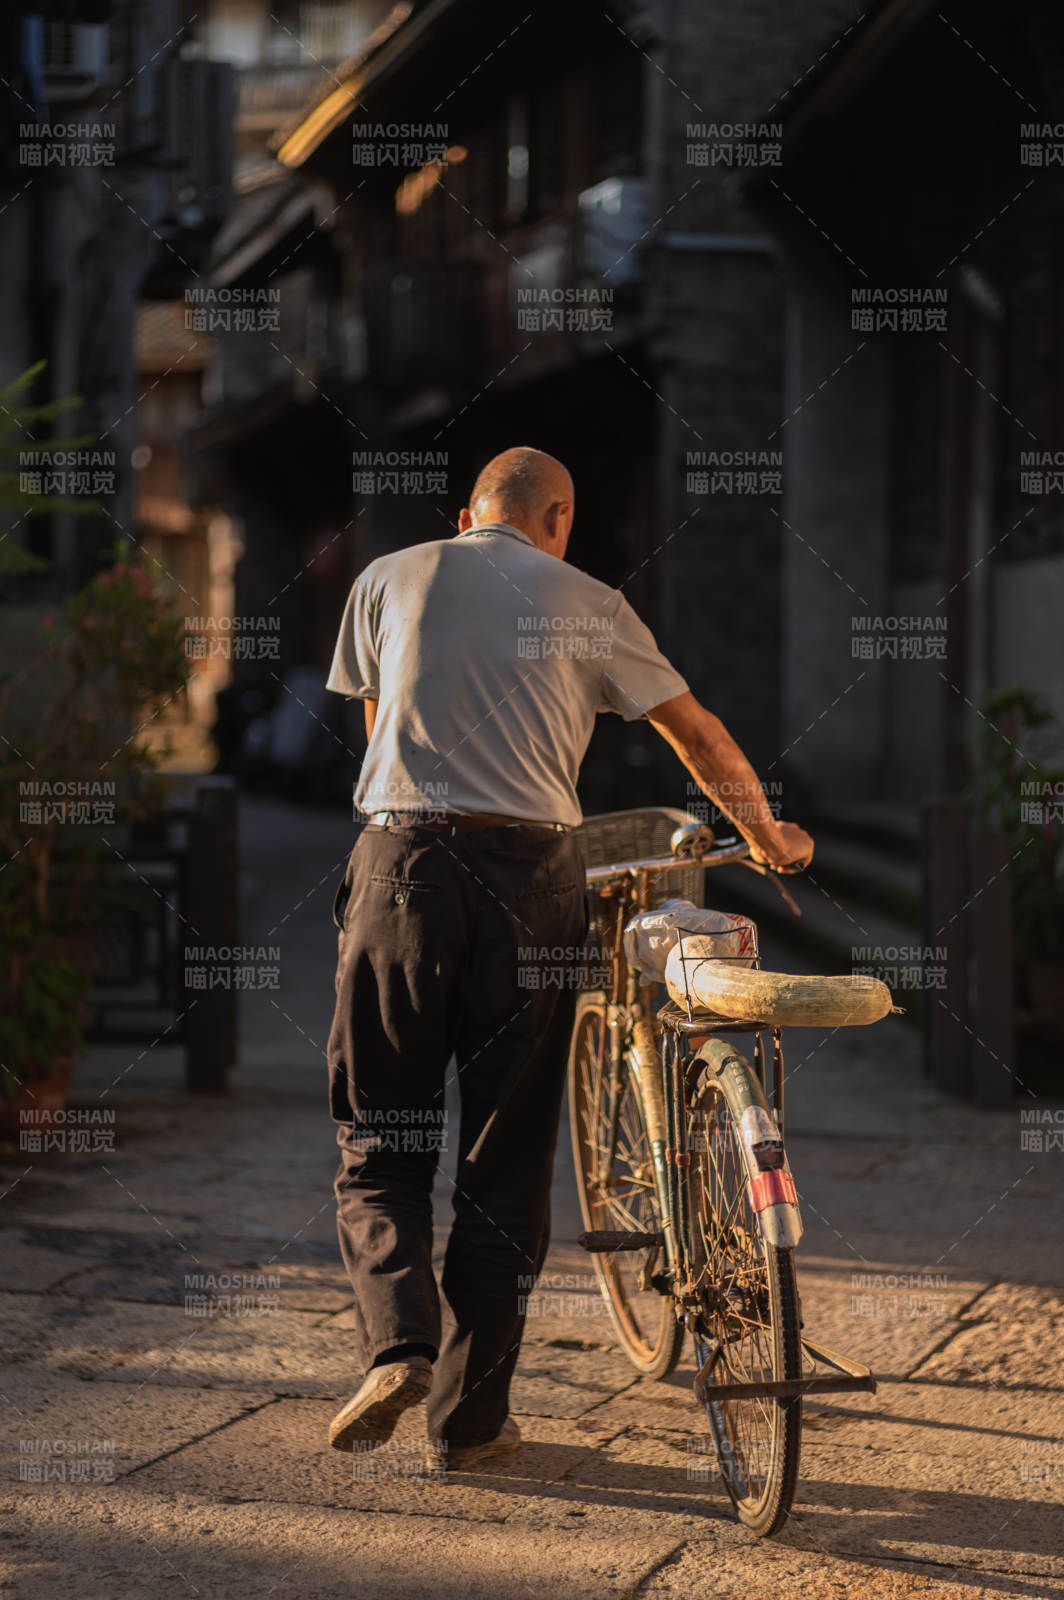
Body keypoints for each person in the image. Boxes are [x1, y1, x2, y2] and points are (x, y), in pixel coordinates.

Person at [323, 446, 813, 1473]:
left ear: (467, 515)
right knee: (505, 1158)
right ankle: (470, 1423)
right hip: (533, 882)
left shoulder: (384, 577)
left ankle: (396, 1341)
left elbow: (377, 730)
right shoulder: (584, 598)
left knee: (378, 1136)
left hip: (397, 864)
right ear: (556, 520)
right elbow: (696, 734)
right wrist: (766, 836)